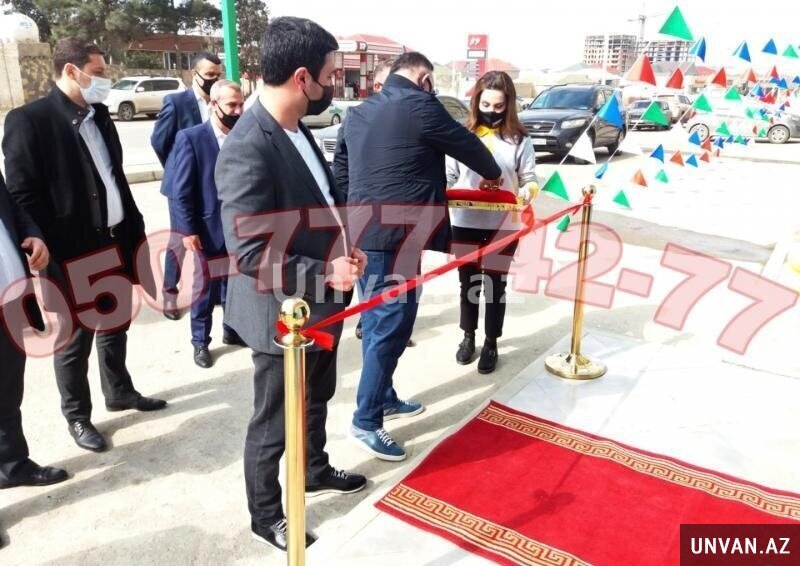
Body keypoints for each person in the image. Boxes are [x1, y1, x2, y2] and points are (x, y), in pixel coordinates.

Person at [215, 17, 368, 552]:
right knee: (275, 420)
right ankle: (266, 515)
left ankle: (314, 469)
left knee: (317, 396)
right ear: (302, 77)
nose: (332, 85)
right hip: (281, 314)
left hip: (323, 304)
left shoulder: (297, 129)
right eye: (329, 75)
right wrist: (327, 271)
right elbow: (249, 254)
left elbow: (319, 205)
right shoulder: (247, 146)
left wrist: (345, 246)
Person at [335, 52, 502, 462]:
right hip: (394, 239)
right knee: (389, 325)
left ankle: (383, 395)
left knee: (383, 323)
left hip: (365, 234)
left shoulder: (358, 113)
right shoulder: (421, 105)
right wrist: (493, 173)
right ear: (424, 79)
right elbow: (472, 149)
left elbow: (341, 173)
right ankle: (366, 421)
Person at [2, 38, 166, 454]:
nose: (106, 79)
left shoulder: (100, 116)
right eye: (99, 71)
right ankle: (77, 416)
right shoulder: (29, 120)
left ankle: (119, 390)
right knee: (75, 339)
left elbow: (113, 176)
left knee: (116, 322)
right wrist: (42, 246)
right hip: (69, 252)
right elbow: (21, 194)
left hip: (115, 239)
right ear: (71, 71)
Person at [446, 71, 539, 374]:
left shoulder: (519, 139)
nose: (491, 111)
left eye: (499, 106)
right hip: (465, 222)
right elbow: (449, 176)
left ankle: (491, 342)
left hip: (504, 226)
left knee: (494, 285)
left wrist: (527, 191)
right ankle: (468, 336)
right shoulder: (462, 135)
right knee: (468, 284)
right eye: (485, 104)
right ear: (476, 102)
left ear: (508, 105)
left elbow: (530, 178)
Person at [166, 79, 246, 368]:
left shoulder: (243, 136)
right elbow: (181, 192)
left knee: (233, 284)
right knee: (204, 290)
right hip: (206, 229)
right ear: (214, 104)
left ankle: (231, 329)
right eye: (231, 105)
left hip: (237, 229)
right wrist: (188, 230)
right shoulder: (191, 138)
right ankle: (200, 342)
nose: (238, 111)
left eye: (241, 104)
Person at [0, 174, 68, 489]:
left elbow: (12, 207)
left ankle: (12, 465)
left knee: (7, 389)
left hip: (10, 299)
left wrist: (32, 234)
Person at [151, 52, 223, 320]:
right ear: (195, 74)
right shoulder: (177, 102)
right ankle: (170, 292)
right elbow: (159, 141)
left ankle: (215, 290)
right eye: (210, 75)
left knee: (213, 235)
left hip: (211, 183)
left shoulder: (219, 101)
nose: (214, 79)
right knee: (180, 237)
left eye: (218, 75)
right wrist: (177, 167)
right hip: (182, 184)